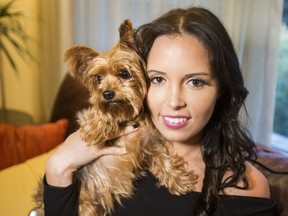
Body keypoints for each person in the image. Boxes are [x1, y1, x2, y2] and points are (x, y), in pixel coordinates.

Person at [43, 7, 276, 216]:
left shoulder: (249, 188)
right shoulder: (109, 147)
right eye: (157, 79)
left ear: (222, 89)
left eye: (195, 82)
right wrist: (58, 167)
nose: (174, 102)